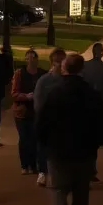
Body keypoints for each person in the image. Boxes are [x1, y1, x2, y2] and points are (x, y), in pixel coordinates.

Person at [36, 53, 103, 205]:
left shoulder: (54, 93)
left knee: (59, 190)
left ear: (64, 69)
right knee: (81, 193)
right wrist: (95, 142)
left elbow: (41, 121)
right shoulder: (90, 93)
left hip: (58, 150)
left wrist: (45, 144)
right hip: (84, 150)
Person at [32, 48, 67, 186]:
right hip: (47, 120)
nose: (59, 64)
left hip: (63, 122)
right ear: (52, 63)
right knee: (43, 147)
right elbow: (38, 101)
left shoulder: (67, 80)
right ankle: (42, 172)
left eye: (61, 61)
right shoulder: (44, 81)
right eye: (56, 61)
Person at [10, 49, 42, 177]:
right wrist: (26, 96)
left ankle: (33, 165)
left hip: (36, 111)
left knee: (34, 138)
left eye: (32, 58)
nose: (30, 60)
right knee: (24, 138)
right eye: (27, 58)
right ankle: (24, 165)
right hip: (22, 111)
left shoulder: (41, 74)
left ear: (36, 59)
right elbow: (13, 93)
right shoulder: (19, 73)